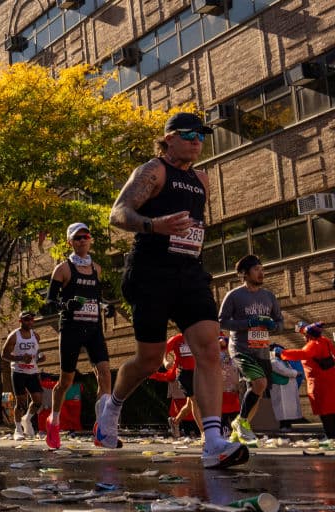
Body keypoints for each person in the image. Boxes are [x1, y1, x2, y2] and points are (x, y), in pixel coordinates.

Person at [102, 111, 247, 467]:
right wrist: (154, 225)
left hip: (190, 273)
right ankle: (112, 405)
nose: (197, 140)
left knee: (209, 349)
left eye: (202, 134)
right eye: (188, 134)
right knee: (149, 360)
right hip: (150, 273)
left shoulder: (202, 178)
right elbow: (118, 214)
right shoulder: (153, 171)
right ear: (168, 138)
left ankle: (213, 440)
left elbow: (195, 225)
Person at [45, 222, 113, 449]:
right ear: (70, 242)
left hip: (93, 328)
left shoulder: (97, 269)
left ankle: (102, 428)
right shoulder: (62, 269)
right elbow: (49, 303)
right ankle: (53, 421)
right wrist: (67, 304)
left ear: (90, 239)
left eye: (86, 236)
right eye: (78, 238)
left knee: (104, 374)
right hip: (71, 329)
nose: (83, 240)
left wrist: (106, 307)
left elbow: (96, 297)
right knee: (66, 381)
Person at [219, 254, 284, 447]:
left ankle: (237, 433)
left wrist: (272, 325)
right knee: (259, 382)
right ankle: (240, 422)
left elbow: (280, 323)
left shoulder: (269, 296)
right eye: (256, 269)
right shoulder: (234, 295)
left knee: (257, 389)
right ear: (245, 274)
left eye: (262, 269)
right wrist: (248, 323)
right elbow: (222, 322)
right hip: (241, 349)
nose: (261, 273)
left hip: (262, 350)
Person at [281, 323, 335, 447]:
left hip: (320, 383)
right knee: (332, 410)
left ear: (309, 335)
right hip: (331, 380)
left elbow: (302, 354)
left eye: (305, 334)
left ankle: (330, 436)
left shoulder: (313, 344)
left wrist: (282, 353)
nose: (303, 337)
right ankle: (332, 435)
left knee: (325, 412)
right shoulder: (325, 341)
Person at [1, 313, 42, 440]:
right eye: (26, 319)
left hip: (33, 372)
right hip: (19, 372)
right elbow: (4, 355)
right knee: (21, 403)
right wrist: (20, 358)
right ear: (20, 321)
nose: (30, 322)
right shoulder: (14, 336)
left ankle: (26, 419)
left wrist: (40, 357)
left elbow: (37, 352)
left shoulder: (35, 335)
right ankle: (18, 429)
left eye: (31, 319)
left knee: (38, 401)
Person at [269, 343, 302, 431]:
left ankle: (288, 425)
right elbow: (284, 371)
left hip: (287, 388)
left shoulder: (284, 361)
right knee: (282, 408)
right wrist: (296, 373)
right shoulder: (273, 361)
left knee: (288, 409)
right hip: (281, 388)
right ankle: (283, 426)